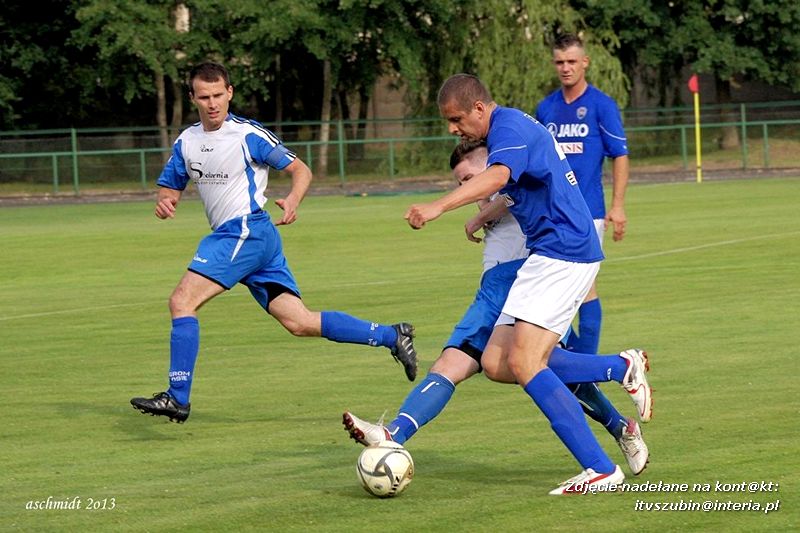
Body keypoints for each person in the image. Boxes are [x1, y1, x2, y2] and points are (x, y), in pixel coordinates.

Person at [403, 74, 652, 495]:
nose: (452, 128)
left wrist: (438, 206)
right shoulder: (512, 127)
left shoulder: (510, 129)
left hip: (564, 251)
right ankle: (619, 366)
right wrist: (481, 216)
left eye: (456, 119)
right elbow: (519, 187)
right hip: (547, 253)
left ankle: (600, 469)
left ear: (479, 109)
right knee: (499, 363)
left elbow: (499, 177)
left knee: (525, 363)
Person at [130, 62, 417, 423]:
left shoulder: (248, 134)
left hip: (245, 230)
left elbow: (300, 170)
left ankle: (178, 397)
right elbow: (171, 183)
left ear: (230, 92)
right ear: (193, 98)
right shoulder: (187, 141)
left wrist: (294, 199)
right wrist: (165, 200)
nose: (212, 103)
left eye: (218, 95)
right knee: (299, 322)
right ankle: (392, 336)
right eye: (204, 97)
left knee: (181, 301)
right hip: (251, 240)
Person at [343, 141, 649, 476]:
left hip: (529, 280)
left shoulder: (513, 178)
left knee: (533, 366)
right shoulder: (497, 192)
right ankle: (393, 434)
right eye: (460, 182)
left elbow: (515, 190)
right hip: (493, 290)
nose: (467, 188)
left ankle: (618, 393)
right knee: (456, 363)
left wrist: (479, 214)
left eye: (469, 177)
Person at [535, 33, 630, 356]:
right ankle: (574, 359)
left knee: (583, 288)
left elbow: (619, 154)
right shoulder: (546, 108)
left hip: (588, 212)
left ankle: (584, 363)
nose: (566, 68)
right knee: (556, 292)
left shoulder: (601, 105)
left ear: (585, 62)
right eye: (560, 62)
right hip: (550, 214)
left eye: (572, 61)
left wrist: (617, 206)